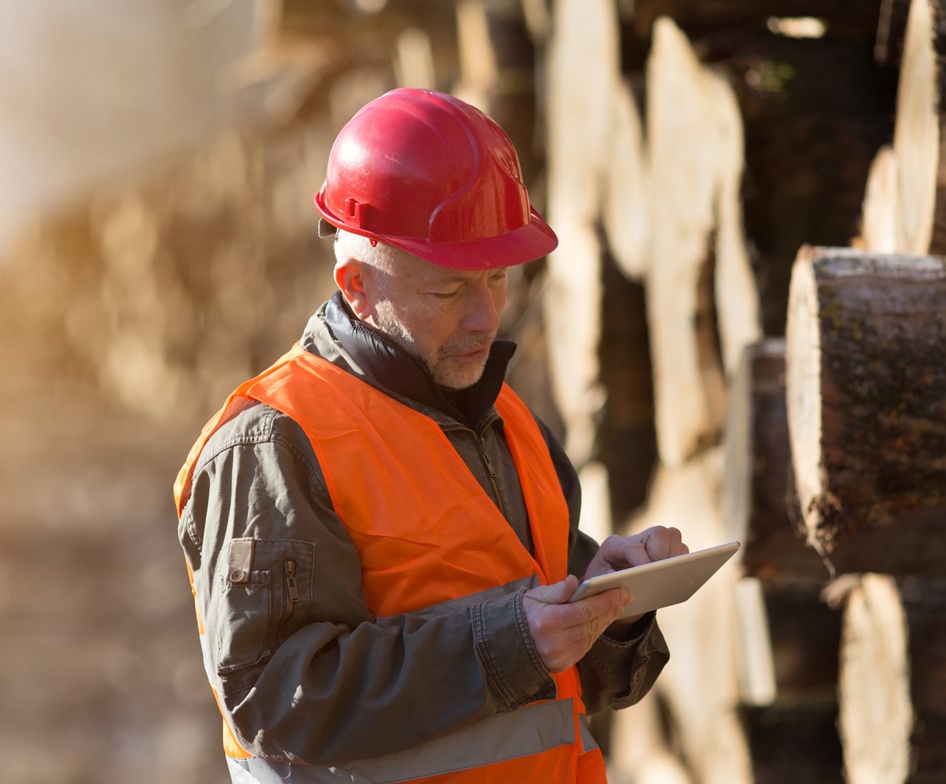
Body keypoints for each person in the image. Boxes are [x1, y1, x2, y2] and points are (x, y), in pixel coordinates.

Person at [173, 87, 686, 784]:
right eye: (449, 291)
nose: (485, 317)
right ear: (356, 284)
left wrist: (612, 604)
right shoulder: (275, 443)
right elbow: (274, 699)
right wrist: (508, 643)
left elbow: (556, 681)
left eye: (498, 279)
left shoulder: (508, 421)